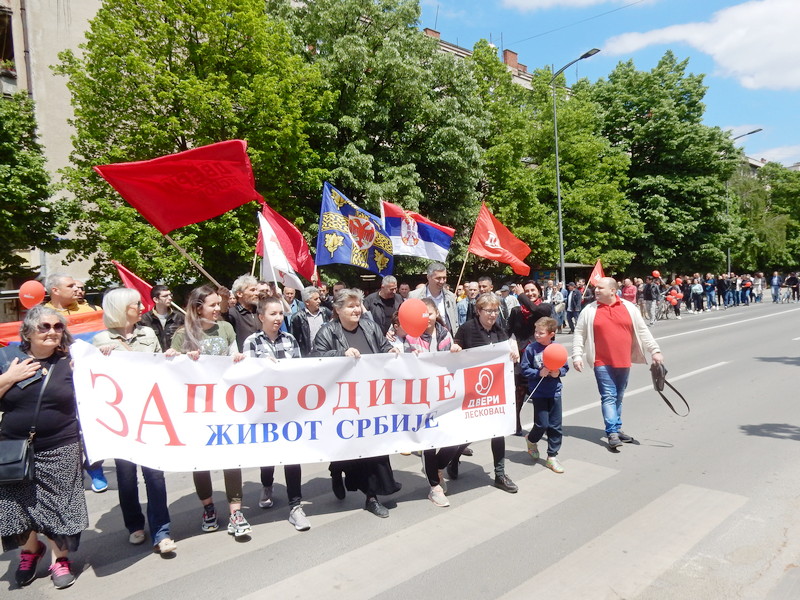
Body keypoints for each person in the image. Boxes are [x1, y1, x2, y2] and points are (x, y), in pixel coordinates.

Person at [0, 306, 88, 589]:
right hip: (14, 447)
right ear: (28, 331)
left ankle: (59, 559)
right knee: (18, 504)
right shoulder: (7, 359)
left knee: (60, 504)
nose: (52, 331)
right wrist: (9, 378)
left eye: (57, 327)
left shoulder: (71, 361)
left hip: (61, 444)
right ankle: (30, 551)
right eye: (44, 327)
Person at [92, 288, 177, 554]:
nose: (141, 306)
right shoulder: (101, 340)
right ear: (120, 308)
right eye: (135, 304)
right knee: (127, 476)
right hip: (121, 419)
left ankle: (161, 530)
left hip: (149, 414)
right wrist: (100, 359)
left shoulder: (148, 333)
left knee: (155, 475)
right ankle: (135, 525)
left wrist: (169, 357)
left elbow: (158, 366)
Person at [166, 285, 250, 537]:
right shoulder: (182, 335)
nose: (218, 309)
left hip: (225, 404)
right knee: (200, 460)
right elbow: (172, 372)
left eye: (218, 304)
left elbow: (236, 355)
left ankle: (236, 511)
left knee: (231, 458)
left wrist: (238, 359)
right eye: (212, 305)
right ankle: (208, 507)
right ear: (197, 308)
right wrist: (173, 355)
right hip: (196, 409)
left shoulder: (225, 328)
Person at [312, 289, 402, 518]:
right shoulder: (327, 331)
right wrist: (340, 353)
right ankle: (336, 470)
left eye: (358, 305)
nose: (356, 310)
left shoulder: (370, 327)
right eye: (350, 306)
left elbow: (382, 348)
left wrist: (390, 350)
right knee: (347, 449)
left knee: (372, 450)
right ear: (338, 310)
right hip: (342, 403)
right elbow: (315, 358)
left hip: (371, 401)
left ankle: (371, 496)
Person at [242, 296, 311, 532]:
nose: (278, 318)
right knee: (268, 455)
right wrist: (262, 367)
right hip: (264, 410)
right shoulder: (252, 342)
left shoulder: (290, 339)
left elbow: (301, 372)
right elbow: (247, 378)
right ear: (261, 317)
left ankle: (295, 506)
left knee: (292, 456)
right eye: (273, 314)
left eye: (281, 314)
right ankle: (267, 485)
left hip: (289, 409)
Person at [572, 277, 663, 449]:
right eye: (595, 288)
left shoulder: (629, 308)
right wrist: (577, 355)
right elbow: (579, 333)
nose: (596, 291)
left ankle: (617, 427)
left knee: (619, 396)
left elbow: (643, 330)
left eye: (600, 288)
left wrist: (655, 351)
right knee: (608, 395)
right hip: (601, 361)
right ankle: (612, 432)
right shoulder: (590, 310)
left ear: (613, 291)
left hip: (623, 360)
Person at [448, 293, 520, 493]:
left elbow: (506, 351)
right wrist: (455, 347)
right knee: (469, 431)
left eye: (495, 310)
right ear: (478, 311)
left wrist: (512, 353)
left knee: (498, 430)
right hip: (471, 392)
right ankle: (453, 458)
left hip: (494, 392)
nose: (493, 314)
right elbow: (456, 347)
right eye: (488, 311)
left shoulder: (499, 330)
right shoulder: (467, 329)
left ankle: (499, 474)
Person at [403, 298, 460, 507]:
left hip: (445, 394)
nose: (426, 317)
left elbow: (452, 361)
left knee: (454, 439)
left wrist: (455, 351)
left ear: (437, 313)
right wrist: (410, 355)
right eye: (422, 314)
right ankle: (434, 487)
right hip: (421, 397)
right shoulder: (410, 336)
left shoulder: (445, 334)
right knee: (428, 442)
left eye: (430, 313)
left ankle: (436, 467)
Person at [520, 317, 568, 474]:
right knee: (542, 424)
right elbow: (524, 369)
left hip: (555, 391)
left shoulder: (557, 348)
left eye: (541, 333)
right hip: (539, 392)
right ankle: (532, 439)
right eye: (536, 332)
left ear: (551, 334)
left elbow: (565, 366)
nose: (537, 335)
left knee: (555, 425)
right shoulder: (531, 349)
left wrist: (558, 372)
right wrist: (538, 372)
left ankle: (552, 456)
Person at [506, 281, 552, 435]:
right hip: (520, 359)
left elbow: (536, 311)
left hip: (539, 359)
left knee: (539, 396)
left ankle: (540, 427)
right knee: (518, 393)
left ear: (539, 291)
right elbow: (507, 331)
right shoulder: (516, 311)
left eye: (533, 290)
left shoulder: (545, 308)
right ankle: (515, 424)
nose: (530, 294)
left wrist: (521, 295)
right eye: (527, 291)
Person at [408, 262, 458, 334]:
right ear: (428, 277)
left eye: (444, 278)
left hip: (446, 340)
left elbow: (455, 323)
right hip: (423, 340)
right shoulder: (414, 296)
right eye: (438, 278)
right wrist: (392, 330)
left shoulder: (450, 297)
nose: (442, 281)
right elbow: (404, 318)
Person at [139, 284, 185, 351]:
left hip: (175, 358)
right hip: (154, 358)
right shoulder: (144, 319)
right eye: (165, 296)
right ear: (156, 300)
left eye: (170, 295)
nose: (170, 298)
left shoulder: (180, 317)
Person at [290, 286, 332, 356]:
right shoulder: (297, 318)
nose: (319, 301)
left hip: (326, 355)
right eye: (316, 299)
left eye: (319, 298)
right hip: (308, 357)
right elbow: (294, 341)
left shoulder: (326, 312)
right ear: (307, 302)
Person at [224, 274, 261, 351]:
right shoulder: (232, 314)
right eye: (252, 290)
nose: (257, 293)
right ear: (239, 294)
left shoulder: (260, 311)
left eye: (257, 290)